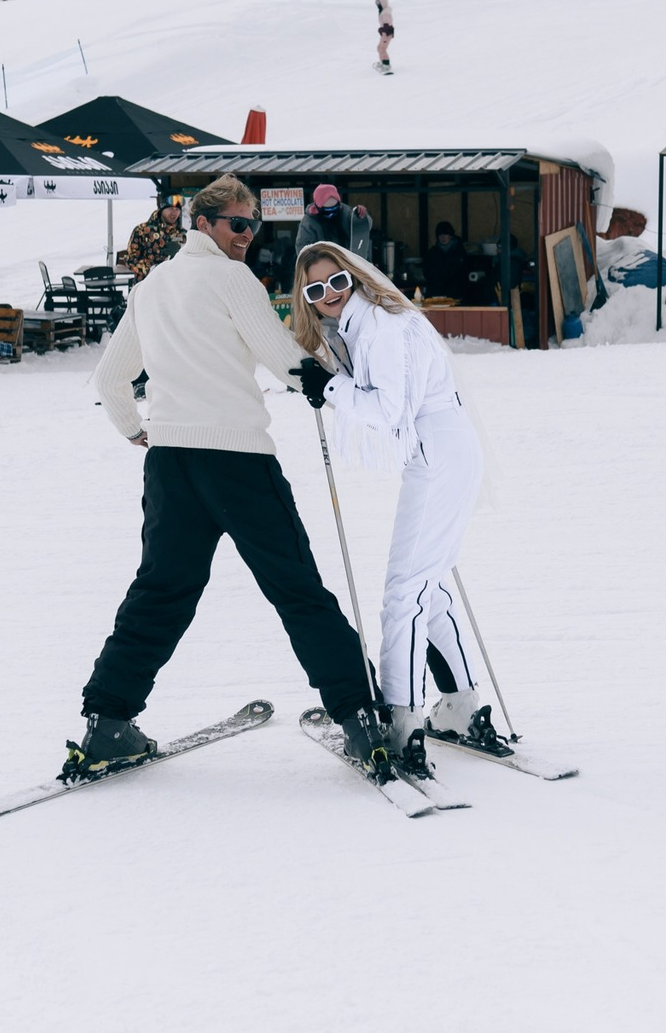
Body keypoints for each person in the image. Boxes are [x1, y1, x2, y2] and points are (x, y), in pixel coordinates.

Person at [76, 174, 388, 781]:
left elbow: (112, 379)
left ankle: (108, 722)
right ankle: (358, 716)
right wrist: (332, 384)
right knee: (296, 588)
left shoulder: (152, 285)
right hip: (237, 461)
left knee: (160, 593)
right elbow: (281, 354)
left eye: (254, 226)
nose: (248, 236)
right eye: (238, 225)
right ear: (204, 224)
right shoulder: (230, 278)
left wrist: (135, 430)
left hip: (170, 465)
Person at [290, 240, 502, 776]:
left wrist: (331, 386)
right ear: (308, 300)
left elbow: (388, 412)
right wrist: (332, 377)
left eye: (337, 282)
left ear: (354, 276)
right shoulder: (370, 323)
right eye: (317, 291)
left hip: (436, 454)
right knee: (428, 586)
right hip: (444, 451)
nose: (331, 295)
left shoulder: (381, 328)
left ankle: (402, 721)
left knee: (403, 592)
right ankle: (459, 706)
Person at [294, 184, 373, 262]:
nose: (331, 214)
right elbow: (302, 248)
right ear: (318, 208)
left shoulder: (346, 213)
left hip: (346, 260)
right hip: (323, 263)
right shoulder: (309, 222)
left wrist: (361, 216)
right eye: (327, 210)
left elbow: (364, 228)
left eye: (335, 209)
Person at [120, 200, 187, 283]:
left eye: (177, 209)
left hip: (174, 286)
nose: (174, 212)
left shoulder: (182, 233)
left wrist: (180, 251)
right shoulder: (142, 230)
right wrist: (153, 269)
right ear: (162, 209)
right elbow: (130, 259)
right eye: (170, 208)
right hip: (146, 285)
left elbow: (189, 262)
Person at [420, 221, 467, 302]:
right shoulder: (433, 252)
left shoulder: (459, 251)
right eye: (440, 235)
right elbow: (427, 271)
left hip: (455, 295)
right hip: (435, 294)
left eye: (446, 234)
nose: (443, 237)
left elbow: (461, 273)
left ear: (451, 236)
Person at [374, 0, 395, 75]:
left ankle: (386, 66)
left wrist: (385, 36)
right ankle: (382, 62)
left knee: (382, 49)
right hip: (385, 33)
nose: (378, 6)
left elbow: (386, 26)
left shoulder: (385, 13)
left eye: (379, 4)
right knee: (379, 48)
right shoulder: (384, 11)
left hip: (386, 33)